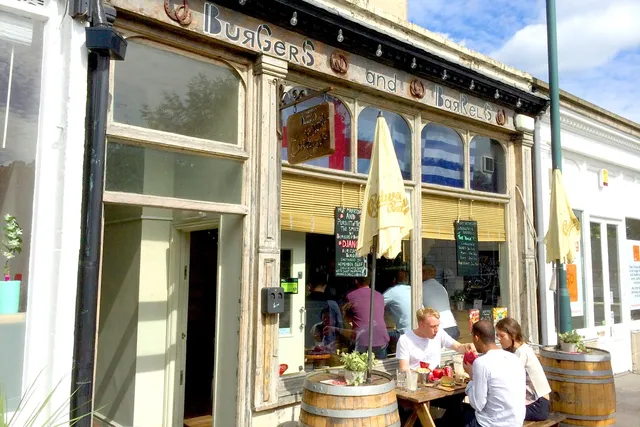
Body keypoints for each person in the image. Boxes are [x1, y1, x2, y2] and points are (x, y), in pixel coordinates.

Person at [463, 320, 526, 427]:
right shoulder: (514, 358)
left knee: (453, 417)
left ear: (476, 338)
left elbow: (477, 405)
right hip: (516, 422)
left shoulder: (481, 362)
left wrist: (471, 374)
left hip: (492, 424)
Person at [496, 317, 552, 422]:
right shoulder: (519, 349)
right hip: (535, 402)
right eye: (497, 335)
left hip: (538, 405)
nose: (499, 339)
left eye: (502, 336)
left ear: (512, 335)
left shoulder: (521, 353)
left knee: (496, 413)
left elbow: (508, 380)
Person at [396, 307, 475, 370]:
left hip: (437, 379)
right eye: (433, 326)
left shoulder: (439, 332)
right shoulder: (405, 339)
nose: (436, 329)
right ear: (421, 324)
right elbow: (404, 369)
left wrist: (467, 346)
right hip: (417, 381)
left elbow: (458, 347)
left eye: (438, 325)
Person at [340, 276, 390, 359]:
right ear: (369, 281)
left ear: (356, 281)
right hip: (381, 337)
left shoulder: (350, 296)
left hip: (362, 338)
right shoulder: (380, 296)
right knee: (379, 368)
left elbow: (346, 317)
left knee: (358, 367)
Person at [422, 264, 459, 340]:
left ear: (424, 273)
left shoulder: (420, 288)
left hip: (439, 329)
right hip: (453, 326)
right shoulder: (441, 287)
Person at [305, 275, 342, 349]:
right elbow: (339, 326)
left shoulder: (303, 302)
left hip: (306, 342)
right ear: (325, 286)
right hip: (328, 343)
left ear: (310, 285)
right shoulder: (332, 303)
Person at [383, 269, 412, 334]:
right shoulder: (413, 289)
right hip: (419, 328)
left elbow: (377, 305)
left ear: (394, 280)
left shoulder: (392, 291)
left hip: (404, 331)